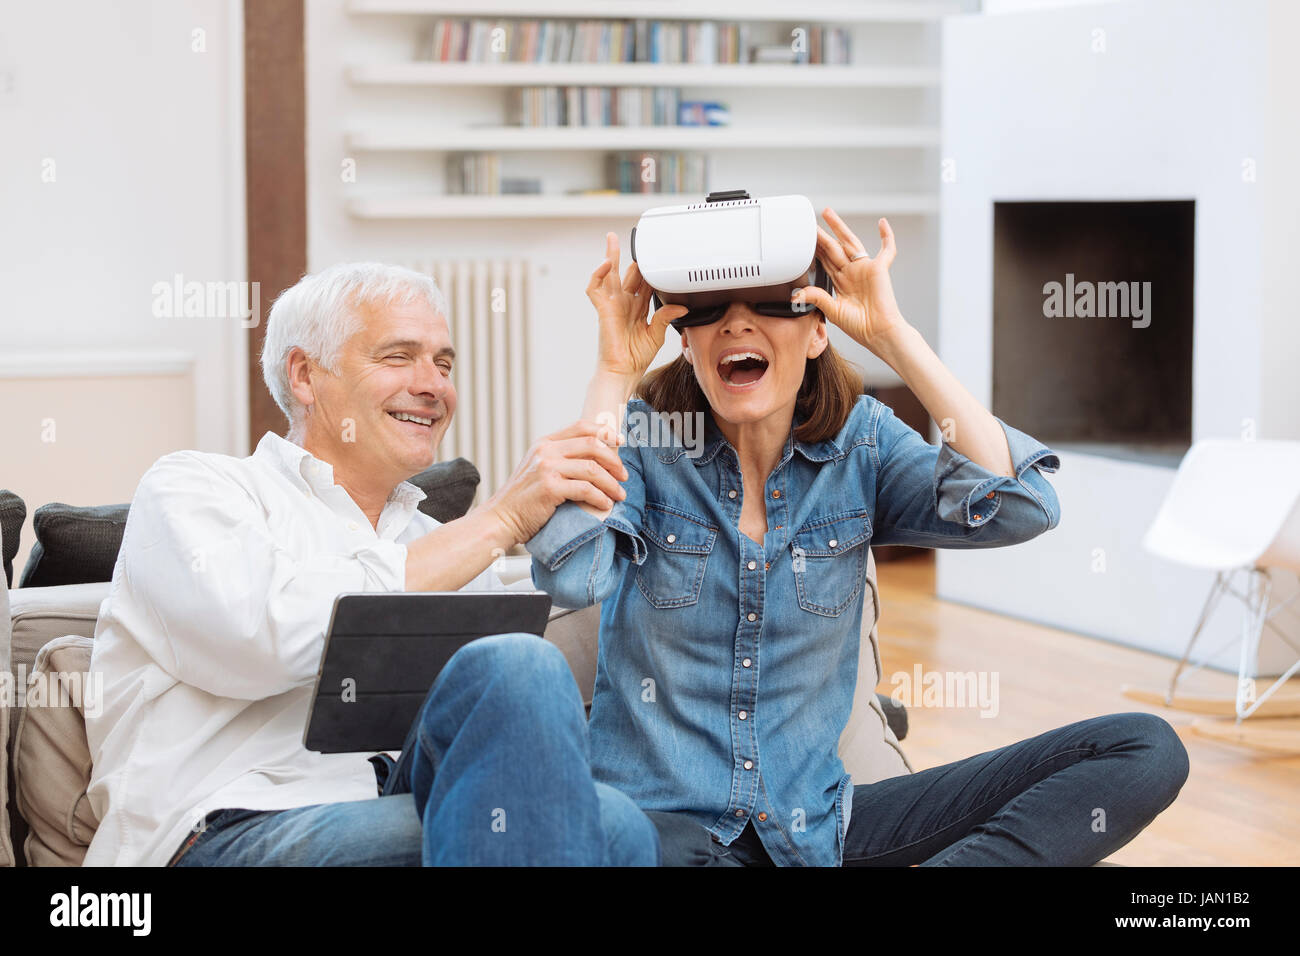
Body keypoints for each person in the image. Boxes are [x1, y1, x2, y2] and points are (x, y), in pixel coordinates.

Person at [527, 208, 1190, 866]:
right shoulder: (642, 444)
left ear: (818, 330)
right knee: (621, 835)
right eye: (707, 308)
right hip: (666, 837)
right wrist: (612, 372)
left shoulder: (863, 446)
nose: (736, 320)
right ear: (685, 339)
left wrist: (894, 337)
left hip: (816, 832)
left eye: (769, 301)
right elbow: (572, 575)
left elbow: (1020, 506)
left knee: (1142, 749)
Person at [83, 262, 658, 866]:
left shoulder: (441, 541)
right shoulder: (198, 491)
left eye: (443, 362)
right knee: (581, 818)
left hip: (402, 798)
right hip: (229, 830)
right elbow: (267, 636)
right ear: (304, 375)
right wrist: (499, 521)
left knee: (614, 819)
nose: (432, 384)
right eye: (398, 356)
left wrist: (616, 374)